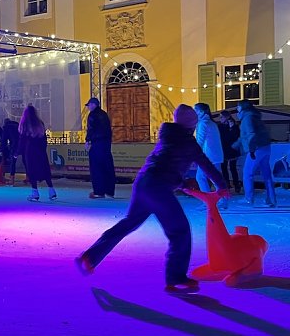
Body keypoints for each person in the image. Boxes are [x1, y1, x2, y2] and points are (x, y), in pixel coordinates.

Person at [75, 104, 229, 293]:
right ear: (191, 125)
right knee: (179, 231)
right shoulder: (188, 142)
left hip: (143, 183)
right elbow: (206, 164)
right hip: (158, 188)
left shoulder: (168, 135)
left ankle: (89, 257)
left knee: (128, 223)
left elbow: (165, 163)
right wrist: (222, 186)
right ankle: (176, 278)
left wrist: (181, 183)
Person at [232, 100, 276, 207]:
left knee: (247, 173)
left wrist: (251, 150)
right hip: (265, 147)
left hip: (256, 148)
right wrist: (235, 145)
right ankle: (271, 199)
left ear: (243, 107)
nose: (237, 109)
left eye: (238, 107)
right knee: (267, 174)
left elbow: (251, 134)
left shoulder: (247, 118)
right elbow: (245, 136)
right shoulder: (255, 116)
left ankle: (249, 198)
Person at [17, 105, 56, 201]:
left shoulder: (25, 124)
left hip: (30, 151)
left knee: (32, 171)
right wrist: (43, 149)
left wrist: (17, 152)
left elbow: (22, 140)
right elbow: (44, 138)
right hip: (40, 150)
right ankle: (51, 190)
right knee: (45, 169)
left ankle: (35, 192)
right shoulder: (40, 123)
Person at [194, 103, 225, 208]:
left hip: (208, 156)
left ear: (202, 112)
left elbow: (200, 141)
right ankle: (219, 200)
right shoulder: (211, 123)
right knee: (214, 178)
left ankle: (209, 201)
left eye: (196, 111)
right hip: (215, 155)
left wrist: (194, 153)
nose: (195, 113)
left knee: (202, 177)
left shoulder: (203, 123)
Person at [84, 97, 116, 199]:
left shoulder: (93, 115)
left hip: (97, 144)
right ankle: (109, 190)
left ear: (93, 105)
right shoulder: (104, 114)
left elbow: (91, 129)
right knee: (107, 166)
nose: (88, 107)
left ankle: (99, 191)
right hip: (106, 144)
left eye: (89, 105)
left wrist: (88, 140)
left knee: (96, 168)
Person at [217, 110, 241, 194]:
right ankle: (227, 185)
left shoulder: (234, 126)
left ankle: (236, 185)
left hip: (231, 149)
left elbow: (234, 137)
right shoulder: (220, 126)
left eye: (221, 117)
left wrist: (232, 128)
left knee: (232, 168)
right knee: (224, 168)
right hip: (223, 149)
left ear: (226, 117)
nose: (220, 119)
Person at [0, 118, 20, 186]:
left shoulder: (6, 127)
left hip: (14, 146)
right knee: (26, 161)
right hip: (22, 145)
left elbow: (4, 140)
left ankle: (12, 179)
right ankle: (29, 177)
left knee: (12, 162)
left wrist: (2, 149)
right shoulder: (18, 125)